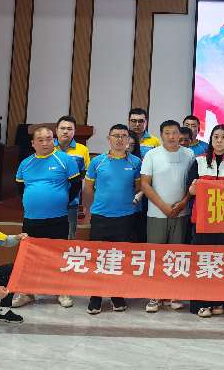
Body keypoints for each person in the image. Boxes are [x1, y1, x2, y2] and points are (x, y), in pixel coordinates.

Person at [12, 124, 80, 309]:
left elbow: (75, 185)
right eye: (40, 140)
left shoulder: (65, 160)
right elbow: (20, 188)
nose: (45, 143)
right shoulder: (25, 163)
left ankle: (61, 291)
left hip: (58, 217)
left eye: (49, 139)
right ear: (33, 143)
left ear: (54, 140)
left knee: (58, 256)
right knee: (29, 257)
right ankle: (27, 292)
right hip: (32, 218)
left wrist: (61, 200)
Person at [83, 124, 142, 314]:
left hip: (125, 218)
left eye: (124, 136)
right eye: (116, 136)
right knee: (98, 258)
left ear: (128, 140)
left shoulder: (135, 162)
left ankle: (117, 295)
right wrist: (89, 210)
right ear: (109, 139)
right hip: (101, 217)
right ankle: (96, 296)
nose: (120, 139)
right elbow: (88, 188)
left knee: (120, 259)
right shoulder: (97, 162)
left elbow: (139, 188)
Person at [140, 119, 195, 313]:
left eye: (175, 133)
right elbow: (145, 184)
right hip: (157, 213)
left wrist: (183, 203)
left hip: (182, 213)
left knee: (177, 255)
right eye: (167, 133)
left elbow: (192, 183)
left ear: (180, 134)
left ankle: (174, 294)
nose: (172, 136)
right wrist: (164, 207)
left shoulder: (189, 154)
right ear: (161, 135)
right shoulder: (152, 155)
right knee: (156, 256)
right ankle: (154, 295)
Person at [188, 123, 224, 317]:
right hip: (202, 219)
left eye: (223, 137)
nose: (219, 141)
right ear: (210, 140)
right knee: (203, 261)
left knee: (223, 260)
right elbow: (190, 190)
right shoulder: (199, 161)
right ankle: (202, 303)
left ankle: (219, 300)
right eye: (216, 137)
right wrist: (196, 187)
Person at [54, 115, 90, 240]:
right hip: (49, 199)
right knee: (49, 236)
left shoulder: (82, 150)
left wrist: (85, 202)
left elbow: (85, 175)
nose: (65, 131)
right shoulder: (48, 148)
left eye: (69, 129)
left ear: (74, 131)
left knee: (69, 236)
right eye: (62, 128)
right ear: (56, 130)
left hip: (71, 201)